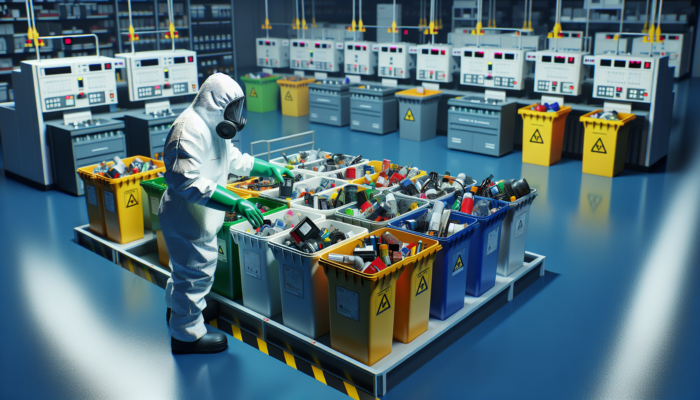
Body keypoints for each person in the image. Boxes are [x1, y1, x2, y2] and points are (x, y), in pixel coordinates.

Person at [159, 74, 293, 354]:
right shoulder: (188, 130)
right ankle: (185, 335)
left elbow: (233, 159)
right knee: (195, 273)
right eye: (232, 110)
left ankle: (180, 311)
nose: (236, 118)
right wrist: (236, 203)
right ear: (214, 103)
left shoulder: (212, 127)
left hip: (199, 217)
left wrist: (268, 169)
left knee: (185, 271)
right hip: (186, 217)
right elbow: (186, 182)